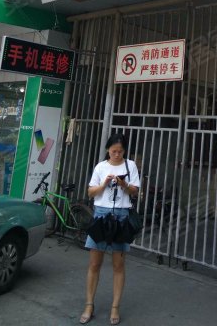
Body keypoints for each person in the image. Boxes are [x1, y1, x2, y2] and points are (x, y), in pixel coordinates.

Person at [80, 133, 140, 325]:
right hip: (101, 215)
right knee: (94, 264)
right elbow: (91, 192)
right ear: (108, 149)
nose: (117, 154)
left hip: (121, 216)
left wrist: (124, 184)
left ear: (124, 151)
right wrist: (105, 184)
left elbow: (135, 191)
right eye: (113, 151)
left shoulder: (130, 165)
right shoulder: (100, 167)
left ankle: (115, 307)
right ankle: (89, 304)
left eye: (120, 151)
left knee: (118, 265)